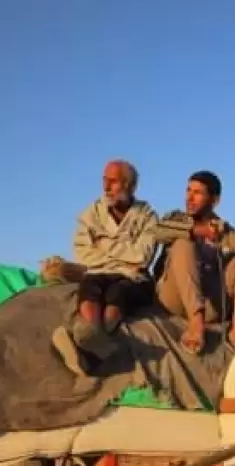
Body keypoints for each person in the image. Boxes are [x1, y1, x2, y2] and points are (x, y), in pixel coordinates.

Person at [44, 159, 160, 375]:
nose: (106, 187)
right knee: (90, 291)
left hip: (133, 278)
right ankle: (96, 344)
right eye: (104, 180)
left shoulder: (147, 216)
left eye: (113, 181)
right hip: (99, 272)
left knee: (117, 295)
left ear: (130, 186)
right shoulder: (91, 214)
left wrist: (103, 244)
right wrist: (122, 255)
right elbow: (84, 253)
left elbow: (142, 256)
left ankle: (88, 352)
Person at [154, 170, 235, 352]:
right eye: (188, 190)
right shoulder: (175, 218)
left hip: (211, 301)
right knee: (182, 243)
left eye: (197, 193)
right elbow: (157, 232)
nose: (189, 197)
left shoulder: (223, 229)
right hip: (175, 298)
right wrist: (199, 232)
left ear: (214, 200)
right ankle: (196, 324)